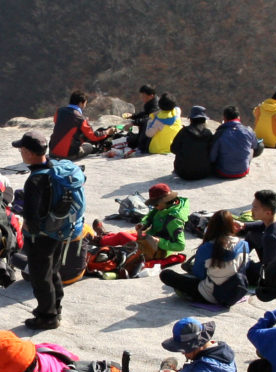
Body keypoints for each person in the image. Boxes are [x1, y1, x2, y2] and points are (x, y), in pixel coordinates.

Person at [15, 132, 83, 331]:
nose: (20, 152)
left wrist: (26, 224)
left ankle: (47, 316)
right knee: (53, 271)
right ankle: (56, 308)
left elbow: (32, 220)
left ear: (28, 152)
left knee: (40, 276)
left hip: (41, 237)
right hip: (60, 229)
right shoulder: (56, 168)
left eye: (21, 149)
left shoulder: (35, 180)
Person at [161, 209, 253, 308]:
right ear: (232, 226)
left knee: (166, 274)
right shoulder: (244, 245)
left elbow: (199, 274)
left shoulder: (207, 247)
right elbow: (244, 267)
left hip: (210, 294)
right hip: (236, 291)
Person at [94, 183, 190, 272]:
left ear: (166, 200)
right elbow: (151, 215)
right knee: (130, 233)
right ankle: (104, 236)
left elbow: (180, 245)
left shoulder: (174, 221)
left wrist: (159, 241)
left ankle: (97, 240)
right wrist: (144, 223)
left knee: (122, 236)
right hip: (150, 240)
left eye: (156, 204)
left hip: (158, 251)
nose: (154, 207)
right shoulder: (166, 207)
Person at [50, 90, 108, 159]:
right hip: (66, 154)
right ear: (81, 103)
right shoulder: (80, 118)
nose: (85, 106)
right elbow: (93, 136)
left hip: (52, 151)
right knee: (88, 146)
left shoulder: (59, 111)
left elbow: (57, 122)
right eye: (85, 103)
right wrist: (107, 132)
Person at [171, 106, 218, 182]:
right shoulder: (208, 133)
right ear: (204, 120)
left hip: (184, 173)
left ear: (191, 119)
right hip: (204, 173)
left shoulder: (184, 132)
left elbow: (173, 148)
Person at [211, 105, 256, 180]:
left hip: (222, 172)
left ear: (224, 118)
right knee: (253, 149)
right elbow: (255, 145)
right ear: (238, 117)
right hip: (243, 171)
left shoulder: (220, 133)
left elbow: (212, 158)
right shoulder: (248, 130)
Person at [128, 85, 160, 153]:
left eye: (143, 96)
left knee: (131, 142)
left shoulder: (156, 106)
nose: (142, 98)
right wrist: (133, 116)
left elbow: (148, 118)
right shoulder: (151, 102)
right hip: (146, 131)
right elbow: (146, 113)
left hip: (149, 134)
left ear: (151, 96)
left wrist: (133, 123)